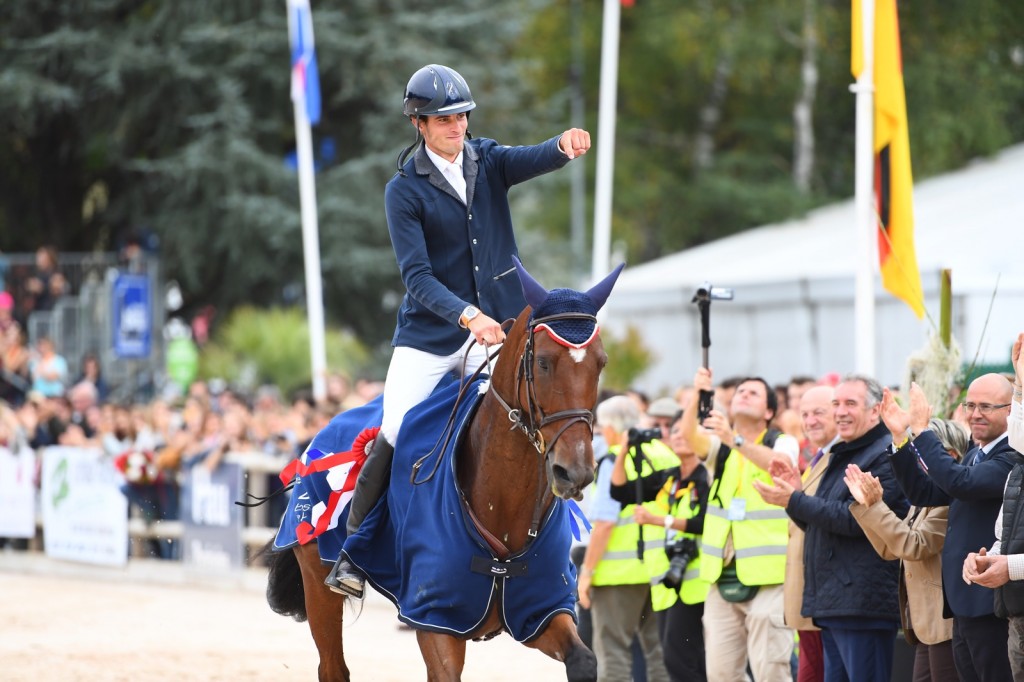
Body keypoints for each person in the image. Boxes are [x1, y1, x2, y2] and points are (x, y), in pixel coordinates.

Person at [325, 64, 591, 597]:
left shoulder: (487, 159)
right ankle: (354, 551)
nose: (457, 124)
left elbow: (529, 159)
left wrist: (561, 146)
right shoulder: (403, 191)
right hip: (430, 338)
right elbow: (416, 276)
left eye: (462, 115)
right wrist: (467, 315)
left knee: (529, 415)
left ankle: (543, 544)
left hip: (500, 327)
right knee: (397, 431)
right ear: (419, 124)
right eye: (444, 118)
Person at [755, 374, 909, 681]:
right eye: (836, 403)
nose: (840, 411)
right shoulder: (843, 453)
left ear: (874, 411)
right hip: (835, 601)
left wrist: (796, 500)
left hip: (862, 603)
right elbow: (819, 524)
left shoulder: (883, 453)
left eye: (850, 403)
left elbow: (856, 521)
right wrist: (794, 498)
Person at [887, 372, 1019, 681]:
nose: (975, 414)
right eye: (970, 405)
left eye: (986, 406)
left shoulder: (1012, 457)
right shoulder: (975, 454)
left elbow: (960, 483)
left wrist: (921, 431)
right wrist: (901, 440)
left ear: (1011, 410)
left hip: (992, 602)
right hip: (963, 600)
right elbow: (926, 493)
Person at [683, 367, 799, 682]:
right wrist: (698, 394)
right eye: (740, 392)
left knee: (770, 670)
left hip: (772, 578)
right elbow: (689, 437)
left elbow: (782, 466)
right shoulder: (721, 449)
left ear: (769, 411)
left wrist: (733, 439)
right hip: (722, 575)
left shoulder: (783, 441)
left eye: (753, 393)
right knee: (720, 674)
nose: (743, 395)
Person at [847, 408, 968, 682]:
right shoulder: (923, 497)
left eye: (919, 453)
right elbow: (891, 549)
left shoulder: (949, 497)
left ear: (948, 457)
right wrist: (870, 506)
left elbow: (915, 545)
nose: (913, 461)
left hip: (945, 623)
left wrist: (877, 507)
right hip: (925, 623)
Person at [578, 395, 675, 682]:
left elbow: (605, 523)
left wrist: (587, 572)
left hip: (617, 574)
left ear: (611, 427)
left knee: (613, 652)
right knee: (658, 653)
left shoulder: (613, 459)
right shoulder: (665, 454)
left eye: (601, 427)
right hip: (660, 568)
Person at [615, 412, 711, 682]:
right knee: (682, 659)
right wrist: (625, 451)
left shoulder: (707, 476)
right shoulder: (669, 478)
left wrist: (657, 520)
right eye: (676, 431)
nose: (679, 435)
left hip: (698, 582)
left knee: (680, 659)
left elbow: (703, 521)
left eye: (686, 431)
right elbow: (620, 491)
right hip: (669, 583)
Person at [962, 332, 1024, 678]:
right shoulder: (1019, 469)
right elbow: (1007, 533)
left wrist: (1010, 567)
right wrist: (989, 558)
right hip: (1017, 618)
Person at [775, 385, 838, 682]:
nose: (810, 421)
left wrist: (794, 498)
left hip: (831, 594)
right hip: (810, 593)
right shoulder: (818, 458)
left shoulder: (841, 459)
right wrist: (794, 496)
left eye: (818, 413)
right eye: (805, 414)